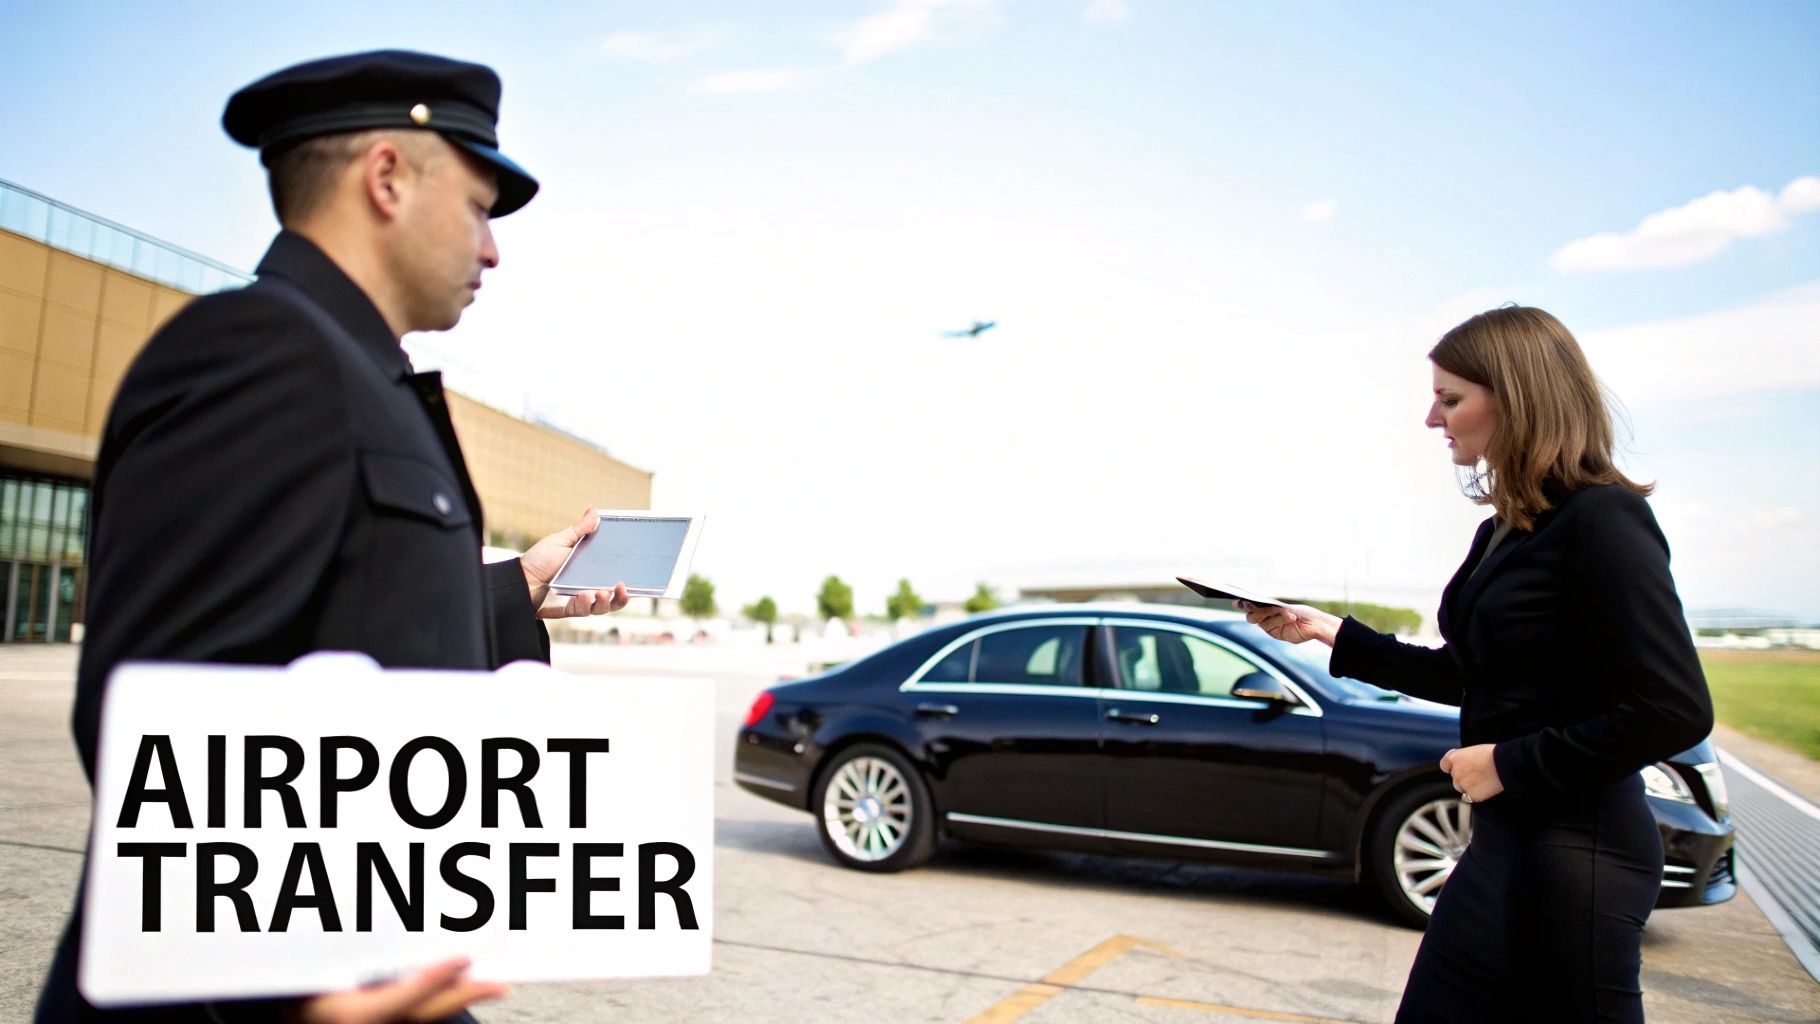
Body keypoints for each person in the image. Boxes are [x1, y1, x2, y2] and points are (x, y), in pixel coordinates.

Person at [37, 51, 632, 1024]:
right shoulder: (259, 354)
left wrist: (512, 588)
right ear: (387, 176)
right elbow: (151, 712)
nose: (493, 252)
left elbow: (350, 643)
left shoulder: (353, 371)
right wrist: (290, 1000)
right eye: (481, 208)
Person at [1240, 305, 1712, 1024]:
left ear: (1518, 399)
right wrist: (1330, 633)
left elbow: (1674, 709)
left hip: (1578, 856)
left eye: (1451, 398)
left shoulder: (1604, 520)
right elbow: (1472, 675)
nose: (1434, 418)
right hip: (1501, 844)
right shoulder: (1508, 529)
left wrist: (1509, 764)